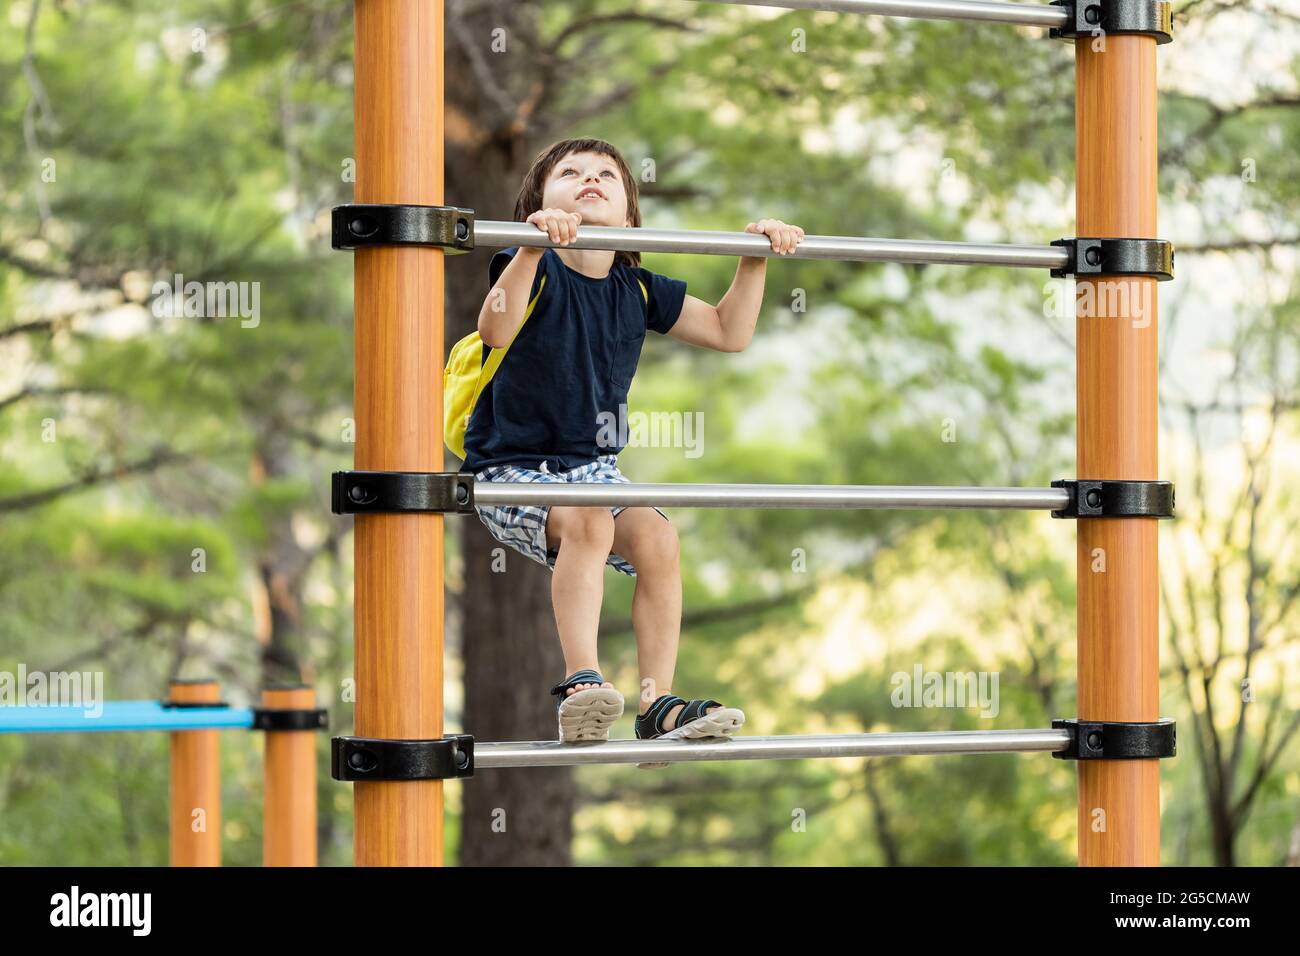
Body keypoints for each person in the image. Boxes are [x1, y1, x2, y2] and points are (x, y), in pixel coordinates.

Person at [463, 137, 805, 744]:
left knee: (658, 537)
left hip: (591, 469)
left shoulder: (637, 289)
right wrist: (530, 247)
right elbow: (495, 326)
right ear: (539, 203)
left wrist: (755, 256)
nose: (588, 179)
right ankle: (581, 683)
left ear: (628, 214)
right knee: (592, 521)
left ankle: (656, 705)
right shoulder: (530, 265)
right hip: (510, 469)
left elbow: (730, 332)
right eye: (569, 174)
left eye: (606, 175)